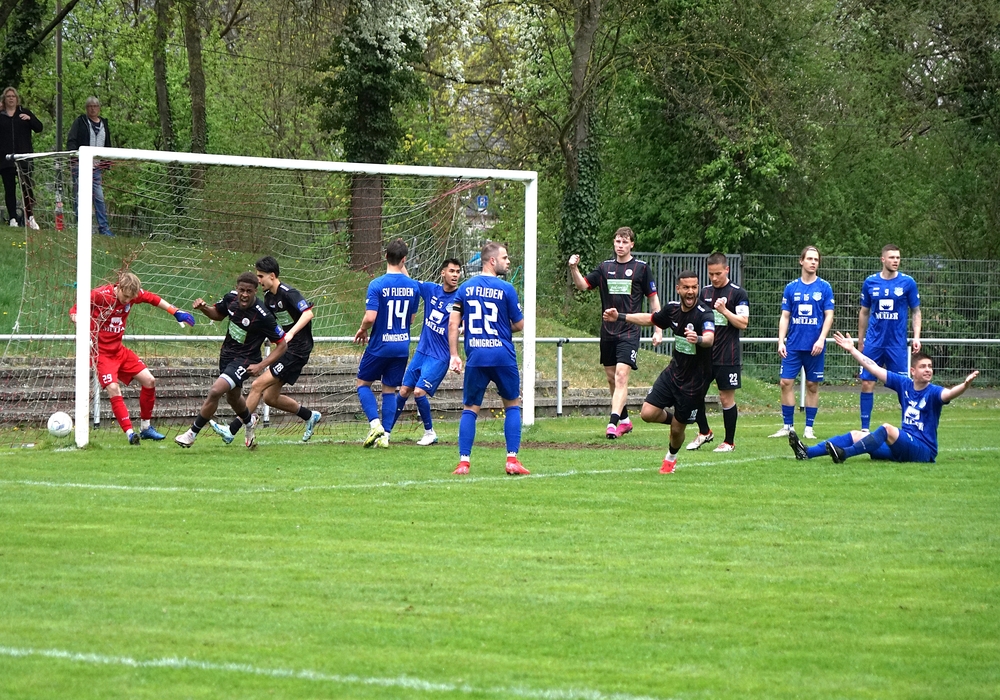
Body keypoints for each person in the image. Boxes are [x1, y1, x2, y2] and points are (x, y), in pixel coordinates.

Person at [789, 332, 978, 464]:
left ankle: (844, 454)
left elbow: (949, 394)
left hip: (922, 451)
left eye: (930, 366)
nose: (928, 370)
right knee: (856, 435)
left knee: (887, 428)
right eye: (923, 366)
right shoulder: (904, 383)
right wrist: (853, 350)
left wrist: (964, 386)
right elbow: (874, 368)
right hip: (901, 447)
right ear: (913, 371)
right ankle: (807, 452)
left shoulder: (934, 392)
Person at [603, 270, 715, 474]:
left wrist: (698, 339)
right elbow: (649, 318)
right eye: (686, 287)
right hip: (673, 373)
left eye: (694, 287)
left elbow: (709, 338)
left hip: (695, 381)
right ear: (678, 289)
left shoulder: (704, 313)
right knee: (647, 413)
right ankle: (680, 421)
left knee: (676, 432)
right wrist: (619, 316)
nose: (691, 291)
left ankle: (670, 458)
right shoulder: (672, 309)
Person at [69, 271, 196, 444]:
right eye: (126, 296)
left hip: (119, 351)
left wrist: (175, 312)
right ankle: (130, 433)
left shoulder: (132, 295)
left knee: (149, 380)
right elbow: (75, 310)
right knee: (113, 387)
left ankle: (145, 428)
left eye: (131, 298)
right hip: (102, 354)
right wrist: (78, 319)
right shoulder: (100, 295)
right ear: (119, 287)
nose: (127, 300)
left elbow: (153, 299)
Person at [208, 257, 322, 446]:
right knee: (270, 397)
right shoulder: (269, 298)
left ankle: (232, 429)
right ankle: (309, 416)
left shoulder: (288, 293)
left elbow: (308, 313)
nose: (258, 280)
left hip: (297, 350)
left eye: (261, 276)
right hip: (287, 349)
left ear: (272, 276)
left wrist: (291, 333)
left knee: (257, 385)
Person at [568, 226, 661, 439]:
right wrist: (574, 268)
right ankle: (625, 421)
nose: (620, 245)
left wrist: (658, 329)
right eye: (618, 241)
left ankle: (612, 423)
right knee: (612, 378)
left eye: (624, 242)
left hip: (629, 330)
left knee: (621, 375)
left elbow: (653, 300)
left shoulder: (641, 269)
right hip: (608, 331)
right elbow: (583, 286)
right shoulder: (605, 268)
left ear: (632, 244)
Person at [175, 272, 287, 448]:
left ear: (255, 291)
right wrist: (204, 308)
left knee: (215, 391)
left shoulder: (264, 315)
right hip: (227, 355)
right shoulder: (231, 298)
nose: (244, 294)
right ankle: (249, 422)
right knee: (233, 398)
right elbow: (218, 315)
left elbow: (282, 345)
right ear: (237, 288)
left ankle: (191, 434)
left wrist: (261, 365)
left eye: (249, 291)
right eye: (242, 290)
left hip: (246, 359)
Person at [449, 242, 528, 475]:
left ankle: (464, 462)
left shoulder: (464, 288)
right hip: (502, 355)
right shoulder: (506, 289)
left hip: (476, 356)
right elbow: (520, 324)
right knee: (512, 405)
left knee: (470, 409)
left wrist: (454, 355)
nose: (508, 261)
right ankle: (512, 460)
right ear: (492, 261)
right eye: (505, 257)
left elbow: (453, 324)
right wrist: (501, 328)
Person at [353, 238, 422, 448]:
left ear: (385, 256)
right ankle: (386, 436)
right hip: (401, 346)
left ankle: (375, 425)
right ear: (404, 260)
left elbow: (370, 317)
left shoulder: (377, 284)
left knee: (362, 384)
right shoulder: (413, 287)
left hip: (380, 345)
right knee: (389, 390)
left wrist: (362, 328)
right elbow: (411, 320)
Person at [391, 257, 463, 446]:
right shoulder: (431, 289)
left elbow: (467, 321)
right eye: (452, 271)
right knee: (404, 390)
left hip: (440, 356)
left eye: (458, 272)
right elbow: (410, 281)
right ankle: (386, 430)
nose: (455, 275)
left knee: (419, 392)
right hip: (422, 351)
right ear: (443, 273)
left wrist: (463, 328)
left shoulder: (460, 298)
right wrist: (399, 261)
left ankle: (430, 433)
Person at [769, 246, 835, 440]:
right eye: (810, 259)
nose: (813, 262)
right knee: (785, 382)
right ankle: (788, 426)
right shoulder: (791, 288)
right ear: (801, 261)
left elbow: (829, 315)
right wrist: (781, 341)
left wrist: (821, 339)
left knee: (812, 385)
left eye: (816, 259)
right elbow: (785, 316)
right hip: (793, 345)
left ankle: (809, 428)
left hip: (815, 346)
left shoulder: (824, 287)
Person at [686, 252, 750, 453]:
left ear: (727, 270)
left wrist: (724, 311)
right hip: (704, 355)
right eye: (711, 274)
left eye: (718, 274)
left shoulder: (738, 294)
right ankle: (704, 432)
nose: (714, 278)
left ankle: (729, 442)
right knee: (693, 394)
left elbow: (743, 323)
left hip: (727, 355)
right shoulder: (704, 292)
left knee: (725, 398)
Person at [857, 244, 921, 432]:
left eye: (898, 258)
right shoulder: (870, 282)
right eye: (892, 257)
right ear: (883, 259)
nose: (895, 261)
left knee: (904, 386)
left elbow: (916, 311)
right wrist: (860, 340)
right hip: (874, 343)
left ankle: (909, 429)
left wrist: (916, 337)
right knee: (867, 382)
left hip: (897, 344)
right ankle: (864, 430)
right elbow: (864, 312)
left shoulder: (908, 282)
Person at [66, 96, 114, 237]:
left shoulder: (104, 124)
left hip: (97, 167)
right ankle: (82, 226)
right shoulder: (80, 122)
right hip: (80, 165)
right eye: (90, 106)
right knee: (80, 196)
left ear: (99, 108)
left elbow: (107, 144)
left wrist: (106, 162)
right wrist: (75, 159)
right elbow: (71, 140)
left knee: (99, 197)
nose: (92, 109)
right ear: (86, 108)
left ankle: (103, 227)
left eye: (95, 106)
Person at [0, 87, 43, 229]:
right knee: (9, 189)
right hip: (6, 159)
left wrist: (30, 119)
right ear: (4, 99)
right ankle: (13, 218)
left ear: (17, 98)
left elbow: (39, 127)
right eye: (8, 96)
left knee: (27, 188)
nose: (11, 98)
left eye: (13, 96)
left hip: (24, 158)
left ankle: (30, 217)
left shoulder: (24, 113)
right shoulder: (1, 116)